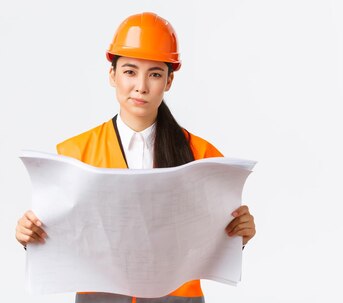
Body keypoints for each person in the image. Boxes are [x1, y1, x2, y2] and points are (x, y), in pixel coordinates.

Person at [14, 12, 256, 303]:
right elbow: (64, 239)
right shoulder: (74, 154)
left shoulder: (202, 156)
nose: (141, 86)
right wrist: (30, 236)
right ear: (112, 75)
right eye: (130, 71)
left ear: (168, 81)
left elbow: (211, 242)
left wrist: (239, 234)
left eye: (154, 73)